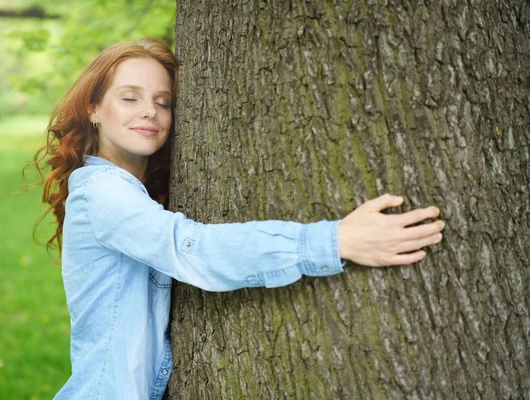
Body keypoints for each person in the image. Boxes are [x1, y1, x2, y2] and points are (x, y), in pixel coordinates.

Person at [27, 38, 445, 399]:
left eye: (163, 102)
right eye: (130, 97)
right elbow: (194, 250)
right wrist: (334, 241)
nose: (150, 112)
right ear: (94, 109)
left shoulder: (130, 194)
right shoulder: (103, 193)